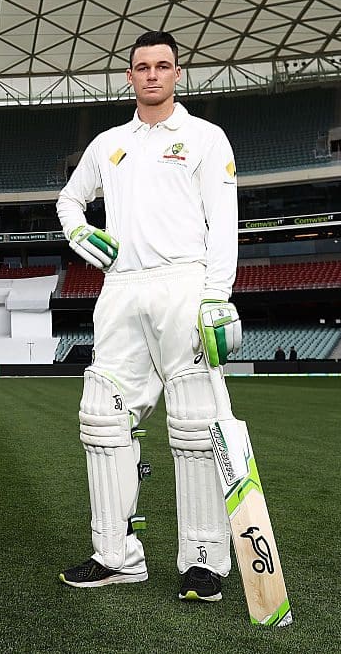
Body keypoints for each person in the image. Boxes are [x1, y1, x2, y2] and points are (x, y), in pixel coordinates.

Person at [55, 31, 243, 602]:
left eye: (163, 66)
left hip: (184, 283)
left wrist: (217, 295)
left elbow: (225, 219)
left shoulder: (205, 138)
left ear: (178, 74)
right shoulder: (110, 143)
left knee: (193, 424)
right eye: (142, 67)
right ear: (130, 76)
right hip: (120, 289)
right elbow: (67, 199)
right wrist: (80, 230)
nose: (153, 75)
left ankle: (204, 561)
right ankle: (116, 554)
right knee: (103, 417)